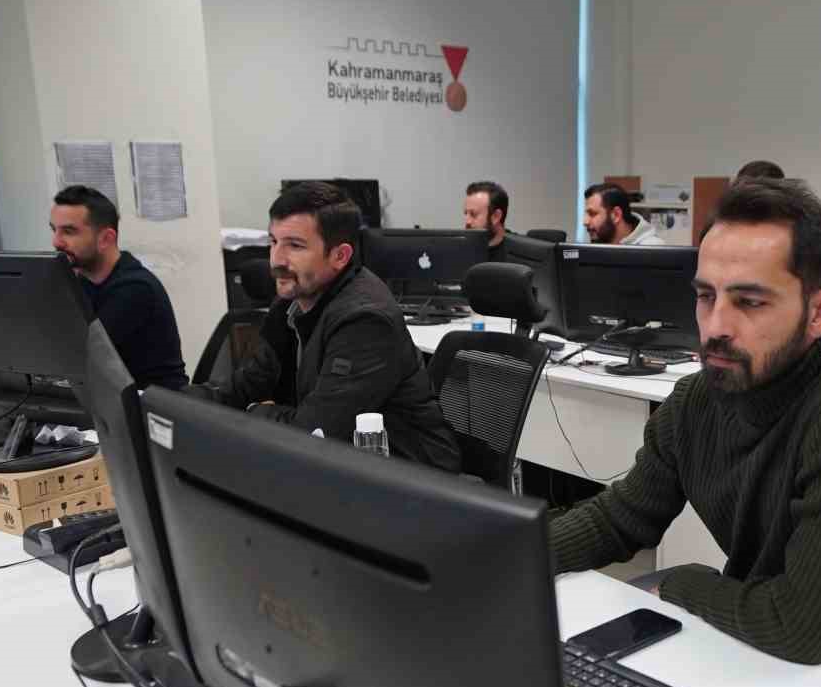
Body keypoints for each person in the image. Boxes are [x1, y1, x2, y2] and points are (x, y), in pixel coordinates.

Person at [550, 178, 821, 687]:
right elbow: (620, 518)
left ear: (820, 312)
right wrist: (504, 553)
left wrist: (681, 582)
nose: (715, 327)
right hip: (745, 656)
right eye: (706, 296)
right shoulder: (697, 399)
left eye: (749, 302)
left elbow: (799, 627)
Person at [203, 181, 461, 472]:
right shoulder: (291, 303)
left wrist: (253, 411)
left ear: (340, 256)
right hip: (342, 469)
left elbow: (316, 432)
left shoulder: (366, 319)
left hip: (412, 477)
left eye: (295, 246)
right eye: (274, 242)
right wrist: (180, 403)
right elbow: (248, 383)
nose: (276, 260)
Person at [49, 185, 188, 389]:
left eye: (69, 232)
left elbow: (77, 354)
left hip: (152, 403)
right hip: (109, 398)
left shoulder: (135, 288)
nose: (56, 242)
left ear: (106, 239)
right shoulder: (82, 282)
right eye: (54, 230)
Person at [582, 183, 665, 246]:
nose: (585, 222)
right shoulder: (601, 245)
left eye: (592, 214)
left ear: (616, 215)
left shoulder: (653, 249)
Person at [464, 180, 511, 262]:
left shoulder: (521, 255)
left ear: (496, 216)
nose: (467, 221)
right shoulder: (461, 251)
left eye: (473, 214)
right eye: (465, 213)